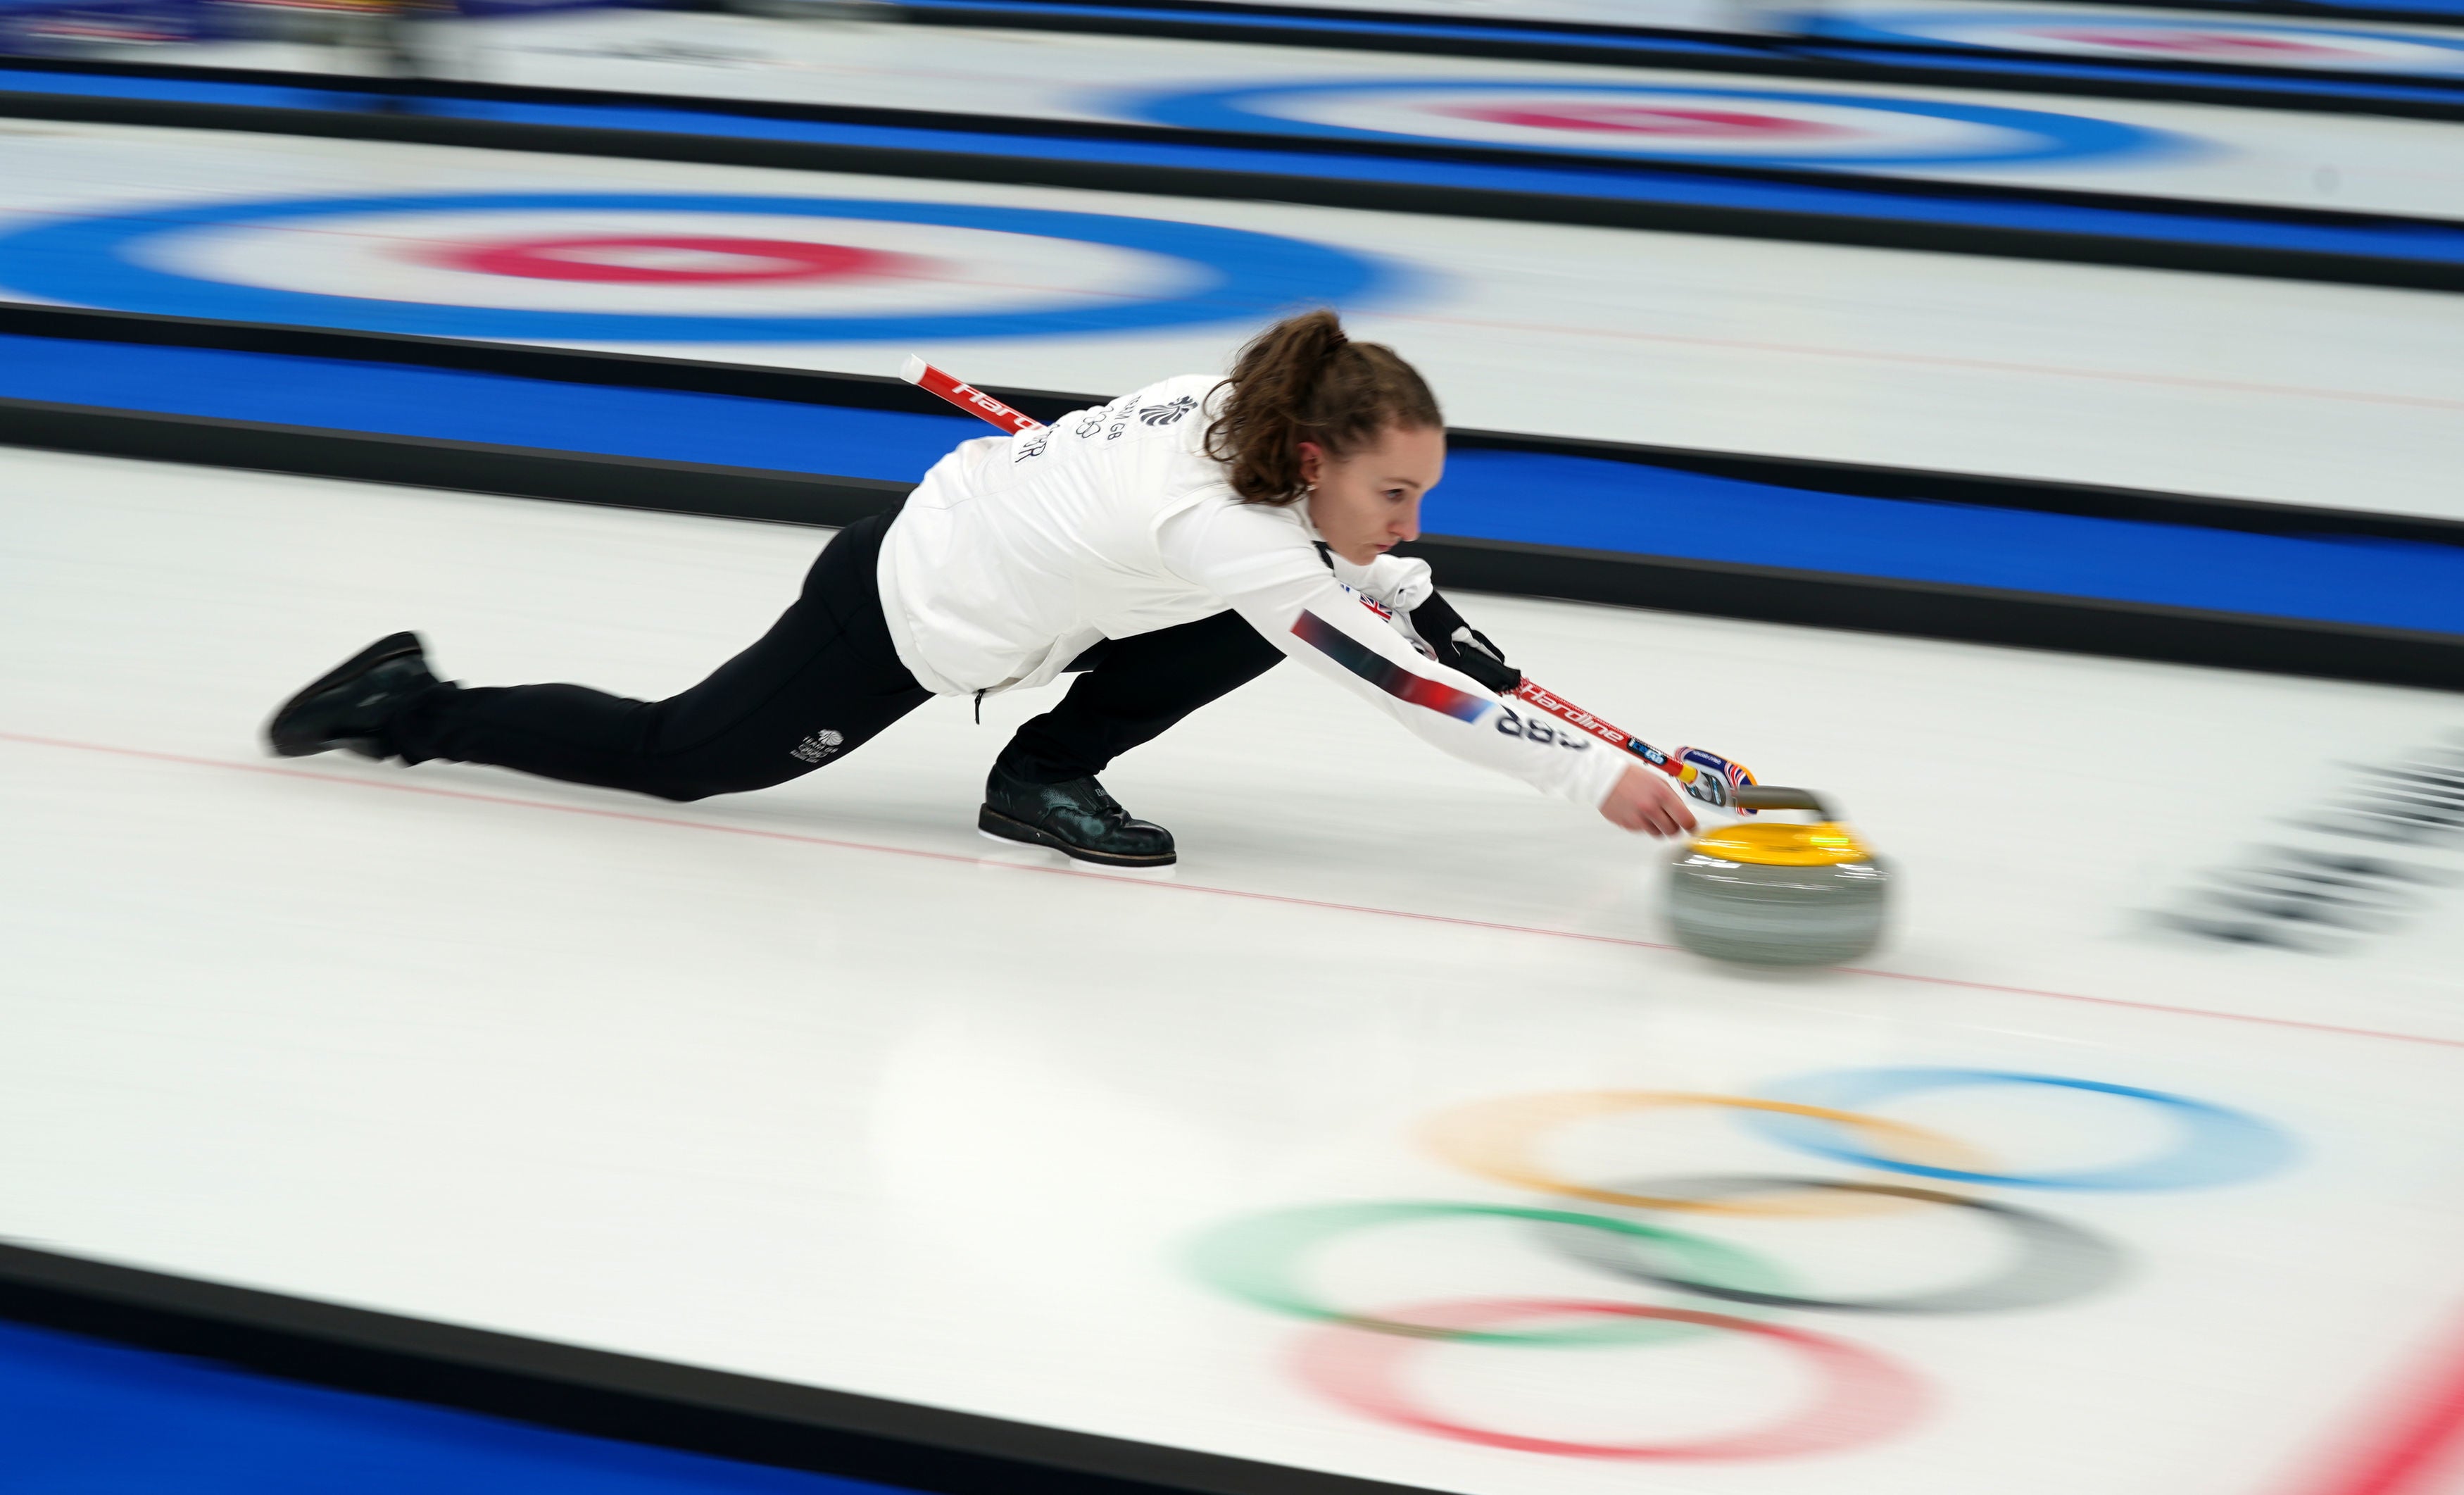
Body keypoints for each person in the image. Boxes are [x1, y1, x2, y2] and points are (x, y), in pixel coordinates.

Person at [265, 310, 1697, 865]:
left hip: (1037, 575)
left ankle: (1042, 776)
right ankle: (409, 704)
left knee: (1285, 617)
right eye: (1398, 491)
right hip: (901, 613)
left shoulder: (1248, 412)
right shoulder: (1226, 533)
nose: (1412, 514)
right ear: (1315, 454)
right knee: (681, 761)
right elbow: (1392, 681)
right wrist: (1585, 779)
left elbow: (1334, 576)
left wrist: (1382, 563)